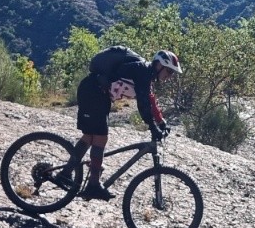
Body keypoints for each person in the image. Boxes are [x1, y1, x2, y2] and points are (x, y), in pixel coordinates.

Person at [70, 49, 183, 199]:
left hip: (97, 94)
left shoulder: (145, 75)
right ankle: (93, 185)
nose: (169, 76)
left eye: (172, 74)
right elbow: (143, 104)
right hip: (92, 91)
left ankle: (67, 172)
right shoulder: (142, 70)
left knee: (90, 137)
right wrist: (152, 126)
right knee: (100, 137)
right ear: (159, 65)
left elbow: (150, 100)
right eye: (169, 72)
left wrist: (161, 122)